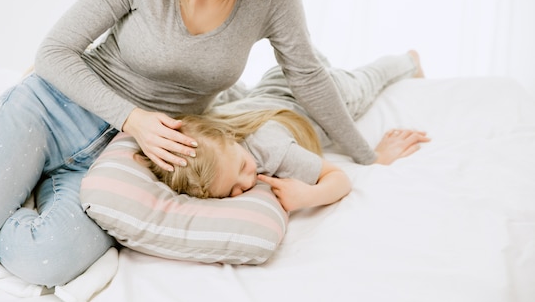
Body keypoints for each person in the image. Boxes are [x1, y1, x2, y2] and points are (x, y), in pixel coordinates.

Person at [0, 0, 420, 287]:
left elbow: (307, 74)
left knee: (47, 261)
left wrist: (366, 157)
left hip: (128, 157)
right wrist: (133, 117)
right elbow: (54, 53)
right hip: (53, 113)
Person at [144, 50, 430, 212]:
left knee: (365, 81)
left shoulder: (271, 149)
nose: (248, 180)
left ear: (230, 137)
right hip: (275, 80)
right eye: (232, 191)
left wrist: (308, 196)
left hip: (321, 96)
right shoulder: (212, 128)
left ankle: (409, 61)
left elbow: (337, 178)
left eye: (243, 166)